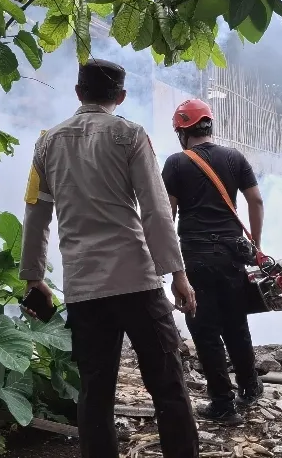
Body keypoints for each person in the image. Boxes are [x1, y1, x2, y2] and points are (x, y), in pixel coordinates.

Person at [19, 59, 200, 458]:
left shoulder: (46, 143)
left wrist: (33, 278)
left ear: (78, 92)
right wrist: (178, 274)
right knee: (168, 384)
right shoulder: (131, 135)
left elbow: (36, 211)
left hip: (85, 287)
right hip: (137, 281)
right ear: (120, 96)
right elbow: (155, 210)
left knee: (95, 392)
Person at [161, 99, 265, 426]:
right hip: (234, 254)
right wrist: (256, 246)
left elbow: (168, 215)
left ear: (182, 131)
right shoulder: (235, 158)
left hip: (197, 257)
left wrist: (168, 264)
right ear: (208, 126)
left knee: (205, 330)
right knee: (236, 322)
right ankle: (249, 388)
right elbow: (256, 200)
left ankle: (223, 403)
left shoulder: (176, 164)